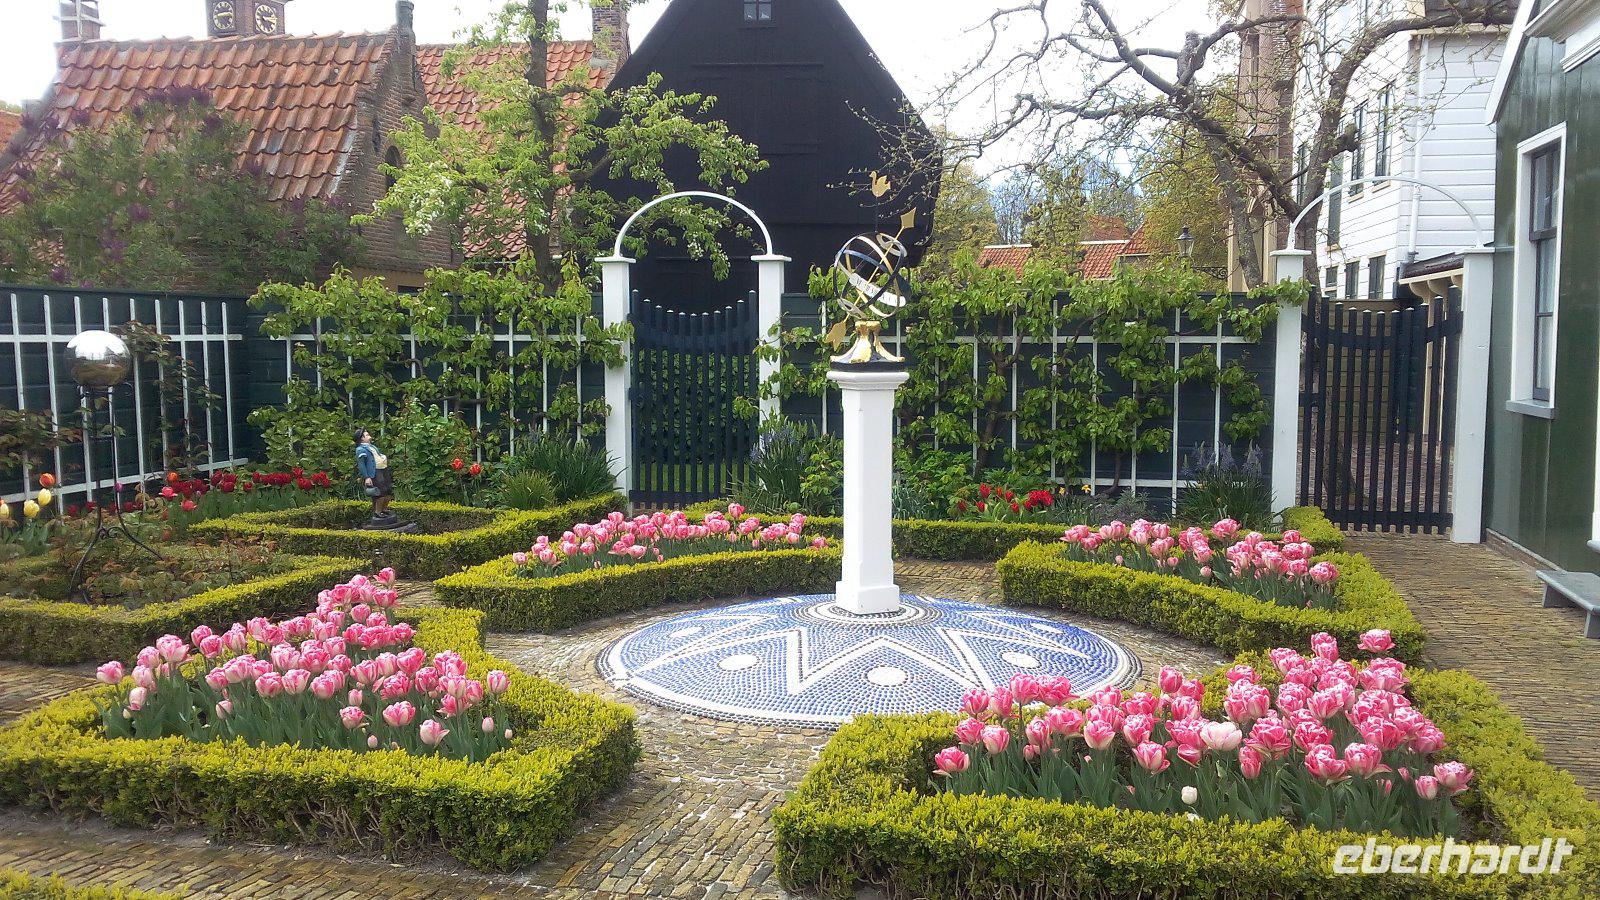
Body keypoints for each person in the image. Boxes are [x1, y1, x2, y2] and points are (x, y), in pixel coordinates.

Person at [353, 428, 393, 520]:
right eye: (366, 435)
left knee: (388, 490)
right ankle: (377, 512)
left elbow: (377, 455)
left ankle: (384, 509)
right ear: (362, 438)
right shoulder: (360, 450)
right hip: (375, 472)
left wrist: (382, 457)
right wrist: (367, 477)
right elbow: (361, 465)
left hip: (383, 469)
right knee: (380, 492)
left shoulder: (372, 447)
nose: (368, 435)